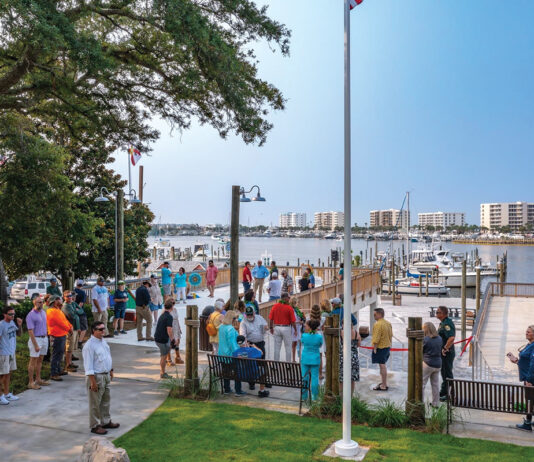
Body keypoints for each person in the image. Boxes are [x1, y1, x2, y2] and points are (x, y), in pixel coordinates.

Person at [82, 321, 119, 435]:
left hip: (106, 375)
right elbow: (88, 366)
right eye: (100, 329)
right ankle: (95, 425)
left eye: (104, 328)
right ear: (94, 331)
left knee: (106, 400)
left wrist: (111, 370)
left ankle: (106, 421)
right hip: (96, 377)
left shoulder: (103, 342)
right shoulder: (89, 346)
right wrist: (93, 382)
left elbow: (107, 357)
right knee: (95, 403)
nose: (103, 331)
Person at [507, 324, 534, 431]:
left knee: (529, 401)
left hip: (530, 379)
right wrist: (516, 361)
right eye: (526, 331)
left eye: (529, 331)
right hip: (528, 377)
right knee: (532, 400)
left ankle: (527, 424)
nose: (526, 333)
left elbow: (533, 364)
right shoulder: (529, 345)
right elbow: (527, 361)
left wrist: (529, 380)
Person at [333, 300, 361, 395]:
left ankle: (341, 396)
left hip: (343, 356)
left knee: (342, 379)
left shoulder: (341, 332)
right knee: (352, 379)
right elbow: (358, 345)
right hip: (353, 357)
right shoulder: (357, 333)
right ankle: (351, 396)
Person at [239, 305, 269, 391]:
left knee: (262, 363)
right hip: (251, 344)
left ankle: (264, 381)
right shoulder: (243, 322)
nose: (249, 316)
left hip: (260, 344)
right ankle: (251, 383)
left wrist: (265, 327)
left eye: (251, 314)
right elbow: (242, 335)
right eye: (248, 315)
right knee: (251, 364)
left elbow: (265, 325)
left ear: (254, 313)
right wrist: (246, 346)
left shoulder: (259, 318)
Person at [46, 295, 73, 381]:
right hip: (56, 335)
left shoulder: (57, 310)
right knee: (56, 354)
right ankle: (54, 373)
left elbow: (65, 320)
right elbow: (61, 323)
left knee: (60, 353)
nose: (60, 301)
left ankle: (58, 370)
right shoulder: (52, 311)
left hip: (61, 334)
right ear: (54, 302)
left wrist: (70, 326)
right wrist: (69, 329)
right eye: (58, 300)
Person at [218, 310, 244, 396]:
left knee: (226, 372)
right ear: (232, 319)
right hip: (230, 355)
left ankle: (227, 389)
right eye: (235, 319)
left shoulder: (221, 327)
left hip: (221, 354)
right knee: (237, 372)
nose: (236, 321)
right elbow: (232, 344)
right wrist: (238, 354)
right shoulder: (230, 329)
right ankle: (238, 390)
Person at [26, 296, 49, 389]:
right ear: (34, 303)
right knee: (33, 361)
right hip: (36, 339)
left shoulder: (43, 312)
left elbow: (45, 325)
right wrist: (35, 344)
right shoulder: (30, 315)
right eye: (39, 302)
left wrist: (48, 336)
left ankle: (38, 379)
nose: (41, 303)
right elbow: (30, 331)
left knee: (40, 360)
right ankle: (30, 382)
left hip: (44, 338)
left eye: (42, 302)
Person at [0, 306, 22, 404]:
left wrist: (20, 325)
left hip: (11, 352)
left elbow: (19, 334)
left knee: (8, 373)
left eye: (13, 313)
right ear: (4, 314)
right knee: (2, 375)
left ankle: (6, 393)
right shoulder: (1, 324)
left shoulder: (12, 322)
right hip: (4, 353)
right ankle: (0, 396)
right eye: (10, 314)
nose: (12, 315)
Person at [269, 293, 296, 362]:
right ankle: (288, 364)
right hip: (286, 328)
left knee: (277, 348)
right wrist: (295, 330)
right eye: (289, 298)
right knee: (288, 347)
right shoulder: (289, 307)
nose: (289, 299)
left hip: (277, 327)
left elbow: (271, 319)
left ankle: (276, 365)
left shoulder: (275, 306)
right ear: (286, 298)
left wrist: (271, 328)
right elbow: (293, 321)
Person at [300, 319, 323, 401]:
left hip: (305, 358)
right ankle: (314, 397)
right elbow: (320, 345)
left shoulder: (304, 336)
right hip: (315, 359)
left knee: (304, 378)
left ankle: (304, 396)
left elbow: (302, 342)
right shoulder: (319, 337)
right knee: (314, 378)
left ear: (309, 327)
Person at [436, 306, 455, 401]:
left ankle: (450, 394)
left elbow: (451, 338)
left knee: (447, 373)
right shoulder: (443, 323)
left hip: (447, 353)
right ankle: (444, 392)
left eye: (438, 312)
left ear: (443, 314)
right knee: (443, 372)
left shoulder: (447, 323)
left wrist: (445, 348)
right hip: (444, 352)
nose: (436, 314)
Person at [154, 299, 178, 379]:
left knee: (165, 354)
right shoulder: (169, 316)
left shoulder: (162, 314)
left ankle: (163, 370)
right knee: (163, 357)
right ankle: (162, 373)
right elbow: (169, 330)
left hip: (157, 337)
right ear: (172, 307)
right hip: (162, 339)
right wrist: (173, 340)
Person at [371, 307, 393, 391]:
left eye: (375, 314)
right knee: (382, 365)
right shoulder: (388, 323)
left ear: (380, 314)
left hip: (380, 347)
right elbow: (391, 335)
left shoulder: (378, 324)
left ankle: (384, 384)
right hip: (387, 346)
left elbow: (376, 338)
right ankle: (383, 382)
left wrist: (375, 348)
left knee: (382, 365)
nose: (374, 316)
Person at [422, 322, 442, 407]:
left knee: (422, 384)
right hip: (438, 364)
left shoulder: (425, 339)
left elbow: (421, 350)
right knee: (435, 385)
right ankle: (435, 403)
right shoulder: (439, 338)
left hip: (427, 363)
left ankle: (420, 402)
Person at [62, 291, 80, 372]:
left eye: (70, 296)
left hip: (73, 328)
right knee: (68, 348)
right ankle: (67, 365)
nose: (70, 297)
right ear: (64, 297)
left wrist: (76, 312)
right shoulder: (65, 306)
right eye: (67, 296)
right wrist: (76, 312)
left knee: (71, 347)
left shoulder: (71, 304)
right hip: (69, 329)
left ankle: (70, 362)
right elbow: (72, 316)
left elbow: (81, 311)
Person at [289, 297, 305, 362]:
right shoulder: (291, 310)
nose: (297, 303)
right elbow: (291, 321)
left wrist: (302, 319)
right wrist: (299, 322)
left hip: (299, 328)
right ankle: (293, 359)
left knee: (299, 343)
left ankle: (300, 358)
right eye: (296, 302)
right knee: (294, 344)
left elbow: (300, 317)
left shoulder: (297, 309)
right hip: (294, 328)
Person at [168, 301, 184, 365]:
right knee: (170, 343)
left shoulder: (175, 309)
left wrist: (179, 327)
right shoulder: (166, 311)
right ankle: (169, 359)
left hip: (176, 326)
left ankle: (178, 357)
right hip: (170, 327)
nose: (173, 304)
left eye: (173, 303)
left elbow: (177, 319)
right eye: (172, 303)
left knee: (177, 342)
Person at [74, 280, 88, 349]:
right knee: (84, 328)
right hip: (80, 312)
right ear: (82, 285)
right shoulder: (82, 293)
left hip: (72, 311)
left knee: (75, 328)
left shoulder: (72, 291)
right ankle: (80, 342)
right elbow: (81, 303)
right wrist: (78, 309)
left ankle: (75, 342)